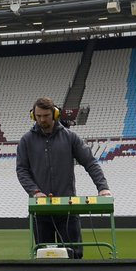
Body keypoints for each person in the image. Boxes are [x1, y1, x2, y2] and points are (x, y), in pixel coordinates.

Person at [15, 97, 111, 258]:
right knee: (43, 255)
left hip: (68, 209)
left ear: (55, 114)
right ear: (33, 116)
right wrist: (35, 191)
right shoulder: (26, 141)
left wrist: (103, 187)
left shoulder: (70, 138)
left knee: (74, 255)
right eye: (38, 116)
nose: (42, 119)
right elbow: (22, 170)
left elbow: (90, 163)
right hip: (41, 210)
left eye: (45, 115)